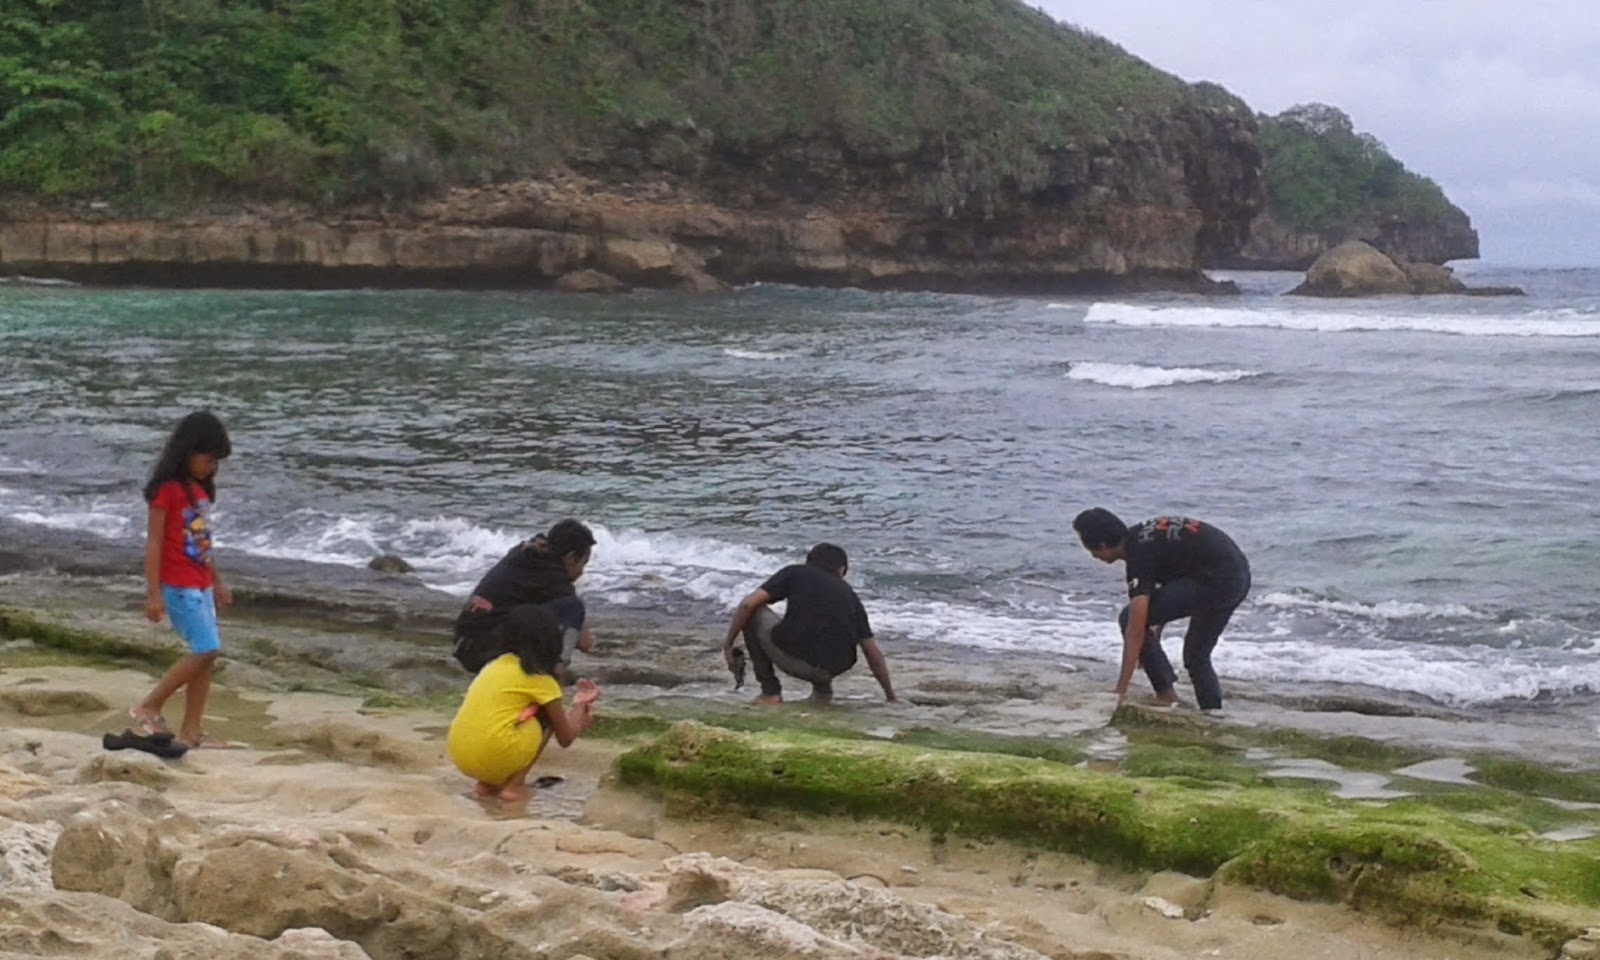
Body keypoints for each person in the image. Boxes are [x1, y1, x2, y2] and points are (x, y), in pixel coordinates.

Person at [1072, 508, 1251, 712]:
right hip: (1237, 578)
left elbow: (1135, 627)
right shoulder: (1145, 539)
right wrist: (1152, 644)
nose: (1094, 556)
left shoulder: (1138, 556)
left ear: (1102, 545)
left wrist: (1120, 690)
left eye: (1091, 550)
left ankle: (1166, 696)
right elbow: (1171, 587)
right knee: (1196, 656)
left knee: (1127, 617)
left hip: (1215, 580)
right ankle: (1212, 712)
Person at [128, 411, 234, 748]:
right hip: (177, 584)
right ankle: (150, 705)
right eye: (208, 458)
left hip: (200, 582)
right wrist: (153, 593)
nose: (212, 467)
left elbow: (202, 543)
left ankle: (192, 731)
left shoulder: (198, 493)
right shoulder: (166, 491)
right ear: (187, 451)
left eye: (216, 462)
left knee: (206, 658)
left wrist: (217, 580)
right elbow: (154, 543)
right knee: (207, 649)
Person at [447, 603, 599, 804]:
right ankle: (514, 786)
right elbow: (565, 737)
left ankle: (487, 785)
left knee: (503, 720)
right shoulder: (541, 680)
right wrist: (580, 705)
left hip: (460, 755)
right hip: (495, 754)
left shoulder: (495, 664)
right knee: (546, 716)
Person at [721, 542, 896, 705]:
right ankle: (822, 692)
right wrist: (890, 696)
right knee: (822, 631)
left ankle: (770, 691)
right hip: (832, 670)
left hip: (799, 664)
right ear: (842, 570)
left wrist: (728, 644)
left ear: (808, 562)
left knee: (754, 611)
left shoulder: (795, 572)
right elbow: (872, 653)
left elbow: (747, 604)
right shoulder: (851, 596)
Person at [451, 519, 596, 679]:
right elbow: (585, 642)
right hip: (480, 650)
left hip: (465, 643)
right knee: (573, 607)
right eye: (583, 564)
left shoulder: (526, 553)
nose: (582, 572)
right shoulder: (553, 576)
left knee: (539, 617)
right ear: (570, 558)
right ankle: (557, 672)